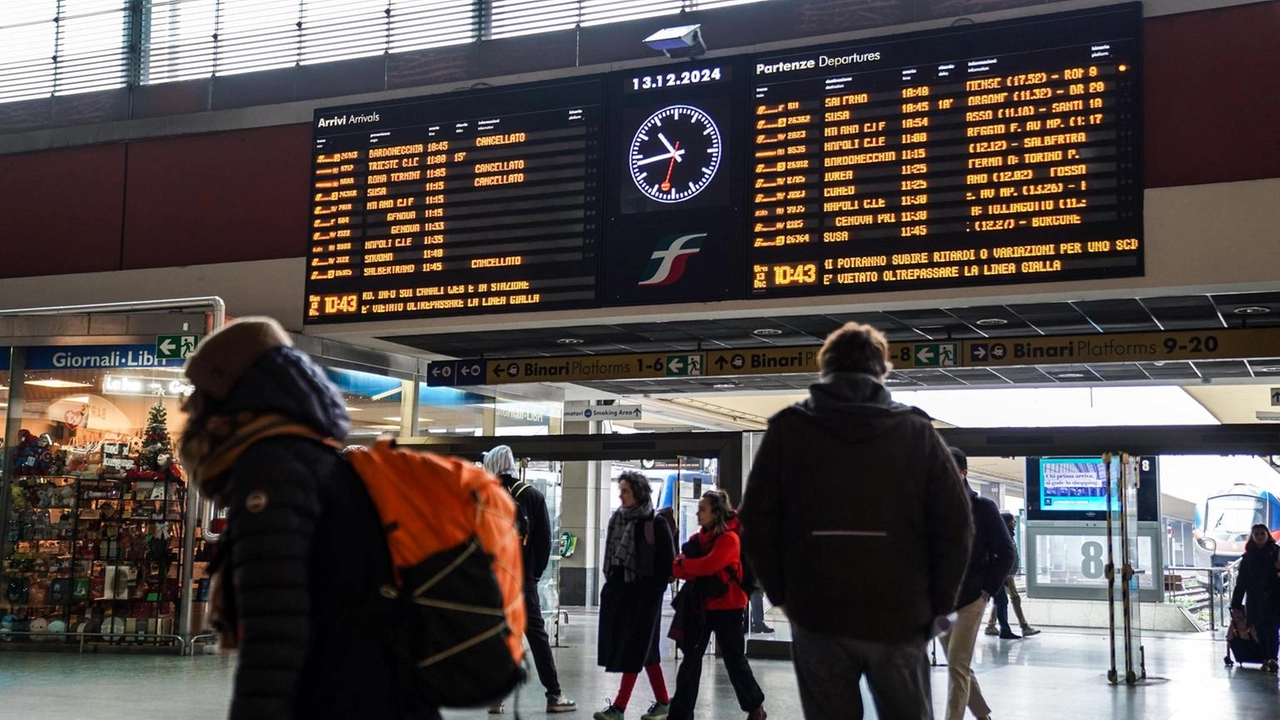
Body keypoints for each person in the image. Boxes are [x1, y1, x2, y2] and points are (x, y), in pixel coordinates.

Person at [177, 317, 437, 720]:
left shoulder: (271, 470)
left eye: (200, 390)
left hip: (340, 695)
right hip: (383, 688)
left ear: (233, 391)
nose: (190, 405)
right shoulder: (317, 462)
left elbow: (275, 626)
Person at [739, 321, 972, 720]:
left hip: (817, 612)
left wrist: (783, 595)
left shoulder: (788, 431)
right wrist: (936, 604)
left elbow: (757, 521)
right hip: (900, 613)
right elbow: (955, 525)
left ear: (823, 368)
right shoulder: (916, 432)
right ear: (882, 371)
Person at [482, 446, 577, 714]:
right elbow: (544, 542)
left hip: (495, 580)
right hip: (521, 580)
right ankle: (554, 695)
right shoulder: (532, 496)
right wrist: (532, 575)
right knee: (536, 636)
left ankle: (496, 698)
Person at [667, 491, 766, 720]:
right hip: (703, 606)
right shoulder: (699, 538)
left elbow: (707, 566)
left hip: (729, 608)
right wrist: (685, 565)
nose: (697, 513)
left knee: (734, 660)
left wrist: (685, 565)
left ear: (716, 512)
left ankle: (755, 707)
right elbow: (676, 565)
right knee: (691, 659)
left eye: (702, 509)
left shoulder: (729, 539)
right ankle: (680, 714)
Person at [940, 448, 1016, 720]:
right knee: (956, 663)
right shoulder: (934, 507)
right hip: (940, 603)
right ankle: (983, 715)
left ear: (963, 473)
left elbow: (1007, 553)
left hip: (971, 597)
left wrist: (986, 591)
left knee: (957, 665)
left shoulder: (983, 508)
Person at [595, 472, 676, 720]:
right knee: (646, 650)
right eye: (620, 490)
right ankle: (664, 702)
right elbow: (610, 557)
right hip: (622, 591)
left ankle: (619, 707)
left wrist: (653, 592)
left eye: (625, 491)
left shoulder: (655, 523)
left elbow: (668, 565)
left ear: (639, 493)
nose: (621, 495)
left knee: (634, 648)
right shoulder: (617, 519)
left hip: (646, 594)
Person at [1231, 523, 1280, 672]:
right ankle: (1265, 658)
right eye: (1256, 534)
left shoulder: (1276, 552)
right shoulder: (1248, 557)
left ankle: (1272, 658)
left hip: (1274, 598)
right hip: (1255, 600)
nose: (1259, 537)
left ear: (1267, 536)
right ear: (1252, 537)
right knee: (1258, 630)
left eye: (1262, 534)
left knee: (1272, 630)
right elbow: (1242, 581)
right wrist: (1236, 602)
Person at [985, 513, 1040, 639]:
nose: (1015, 522)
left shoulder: (1008, 534)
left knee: (1000, 600)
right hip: (1006, 574)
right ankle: (1024, 627)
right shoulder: (1004, 535)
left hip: (1007, 573)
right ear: (1008, 522)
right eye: (1013, 520)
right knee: (1013, 599)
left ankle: (991, 625)